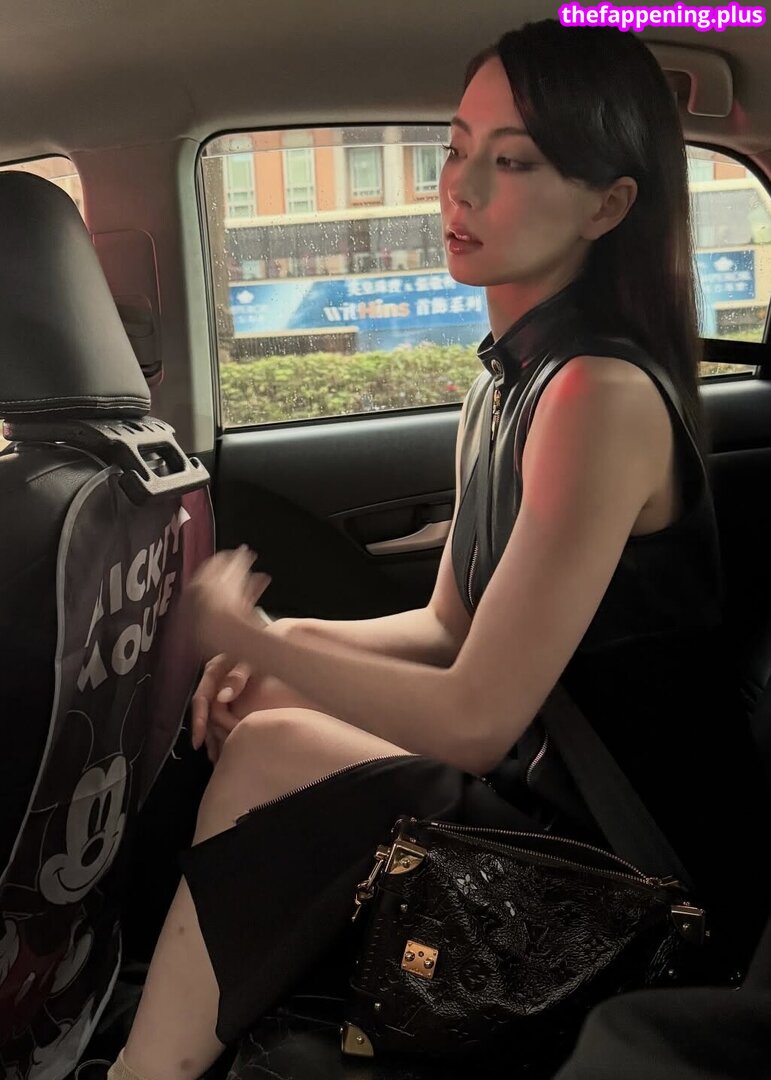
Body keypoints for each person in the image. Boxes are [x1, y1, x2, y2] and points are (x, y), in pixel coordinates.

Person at [107, 19, 769, 1080]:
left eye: (515, 162)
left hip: (636, 862)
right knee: (265, 701)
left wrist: (255, 636)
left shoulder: (596, 396)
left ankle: (151, 1067)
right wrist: (275, 642)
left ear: (608, 206)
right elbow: (446, 625)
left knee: (270, 742)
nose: (460, 187)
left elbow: (475, 717)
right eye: (457, 149)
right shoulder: (506, 384)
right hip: (543, 787)